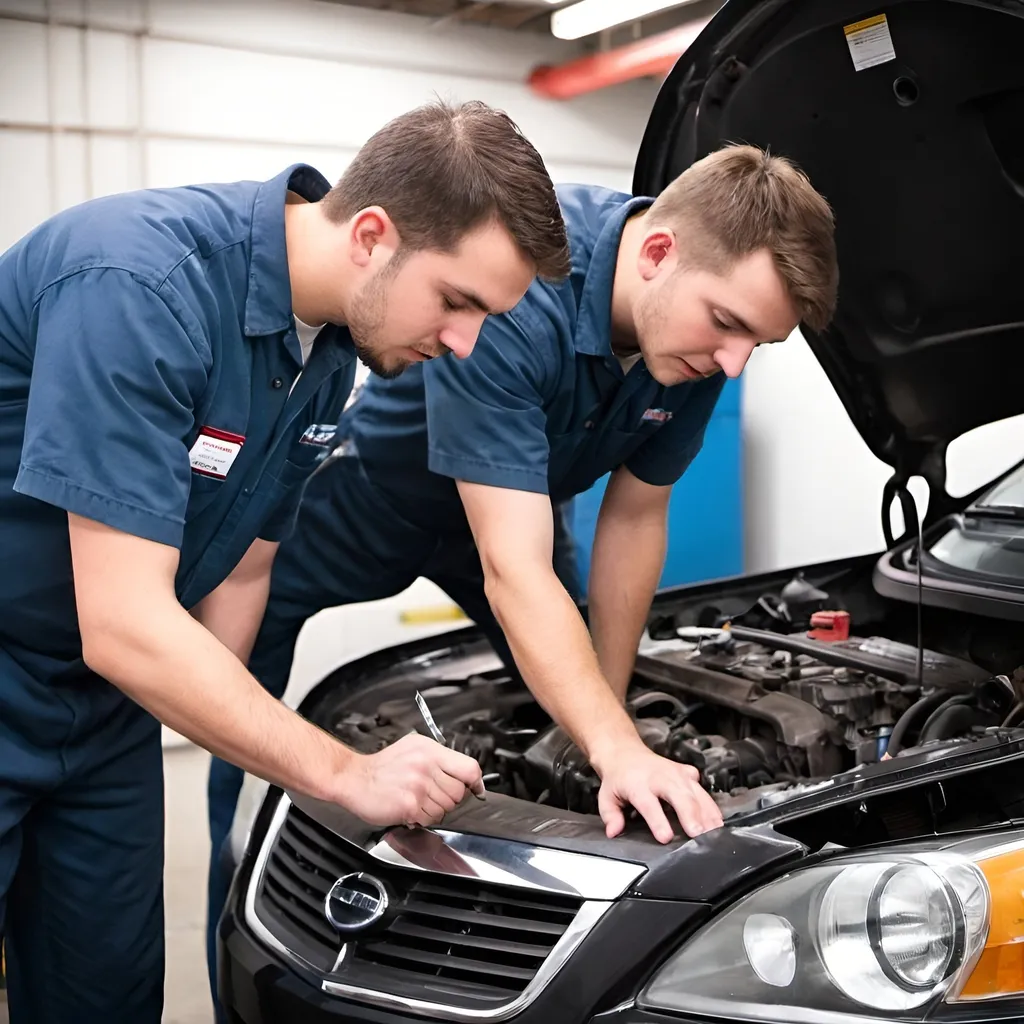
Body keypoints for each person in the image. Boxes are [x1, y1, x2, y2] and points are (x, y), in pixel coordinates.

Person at [207, 141, 838, 984]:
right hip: (369, 502)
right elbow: (513, 572)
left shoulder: (693, 340)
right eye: (728, 325)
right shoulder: (527, 286)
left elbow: (635, 520)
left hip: (524, 520)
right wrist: (616, 746)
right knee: (239, 710)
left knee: (581, 710)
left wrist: (607, 727)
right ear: (657, 254)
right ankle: (235, 887)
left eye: (756, 343)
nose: (732, 363)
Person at [0, 97, 569, 1024]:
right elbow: (126, 622)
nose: (461, 345)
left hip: (101, 716)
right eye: (459, 302)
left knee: (106, 990)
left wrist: (215, 707)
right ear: (373, 235)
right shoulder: (141, 285)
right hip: (31, 660)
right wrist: (345, 772)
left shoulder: (333, 351)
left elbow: (246, 567)